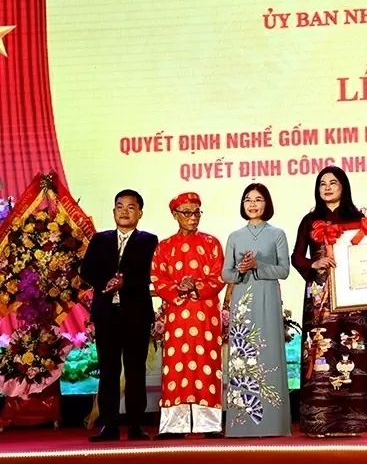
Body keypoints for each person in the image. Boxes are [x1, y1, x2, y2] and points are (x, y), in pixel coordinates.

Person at [291, 165, 367, 437]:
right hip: (320, 297)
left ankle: (351, 423)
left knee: (350, 353)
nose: (327, 187)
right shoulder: (310, 220)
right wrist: (315, 262)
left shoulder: (360, 219)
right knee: (321, 354)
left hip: (353, 296)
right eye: (322, 183)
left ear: (343, 187)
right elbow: (296, 256)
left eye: (333, 182)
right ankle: (318, 421)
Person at [80, 189, 158, 442]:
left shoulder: (149, 240)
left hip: (136, 313)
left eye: (131, 207)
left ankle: (136, 425)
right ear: (114, 211)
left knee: (135, 370)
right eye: (120, 207)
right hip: (106, 315)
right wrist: (108, 282)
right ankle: (109, 425)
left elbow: (151, 272)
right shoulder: (99, 240)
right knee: (109, 371)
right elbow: (86, 270)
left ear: (140, 213)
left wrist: (125, 282)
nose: (125, 212)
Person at [150, 192, 226, 439]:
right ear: (175, 215)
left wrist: (195, 288)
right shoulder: (164, 247)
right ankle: (174, 425)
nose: (193, 218)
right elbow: (157, 278)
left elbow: (218, 276)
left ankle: (209, 423)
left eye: (196, 212)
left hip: (206, 315)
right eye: (187, 213)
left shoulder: (212, 243)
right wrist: (176, 289)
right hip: (177, 315)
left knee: (207, 366)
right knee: (176, 368)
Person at [222, 183, 292, 437]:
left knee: (269, 352)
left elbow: (283, 270)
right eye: (247, 200)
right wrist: (241, 269)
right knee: (243, 355)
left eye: (258, 199)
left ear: (267, 203)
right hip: (243, 300)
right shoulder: (234, 236)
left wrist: (257, 264)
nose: (252, 204)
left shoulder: (277, 234)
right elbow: (225, 274)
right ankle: (242, 423)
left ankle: (274, 422)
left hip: (268, 298)